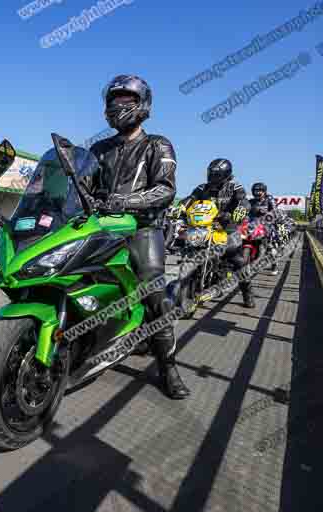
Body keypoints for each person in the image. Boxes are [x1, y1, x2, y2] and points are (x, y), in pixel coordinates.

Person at [82, 74, 189, 400]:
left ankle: (168, 366)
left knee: (154, 292)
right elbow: (81, 186)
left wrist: (125, 201)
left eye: (125, 101)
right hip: (100, 229)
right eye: (113, 101)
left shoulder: (158, 144)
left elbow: (165, 189)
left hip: (141, 229)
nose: (117, 107)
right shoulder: (99, 148)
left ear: (142, 106)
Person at [180, 158, 255, 308]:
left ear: (226, 175)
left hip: (227, 227)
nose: (212, 177)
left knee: (238, 260)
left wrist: (241, 208)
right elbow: (191, 198)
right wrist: (180, 207)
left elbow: (243, 200)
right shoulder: (203, 188)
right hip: (204, 227)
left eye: (216, 174)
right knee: (186, 247)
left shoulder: (234, 186)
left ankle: (247, 293)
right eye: (211, 173)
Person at [248, 182, 279, 275]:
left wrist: (268, 213)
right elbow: (244, 212)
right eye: (255, 191)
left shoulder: (269, 199)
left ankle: (274, 264)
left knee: (270, 247)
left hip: (267, 226)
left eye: (259, 191)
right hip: (253, 226)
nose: (257, 193)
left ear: (264, 191)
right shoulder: (251, 202)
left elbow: (275, 212)